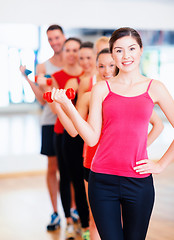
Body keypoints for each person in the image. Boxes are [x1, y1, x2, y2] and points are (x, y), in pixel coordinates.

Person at [50, 27, 174, 240]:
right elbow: (91, 138)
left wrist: (161, 164)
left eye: (131, 48)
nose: (126, 56)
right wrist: (66, 106)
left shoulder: (155, 88)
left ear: (141, 50)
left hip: (138, 182)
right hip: (102, 181)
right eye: (119, 50)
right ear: (112, 53)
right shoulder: (101, 89)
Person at [20, 24, 65, 231]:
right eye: (50, 39)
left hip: (73, 122)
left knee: (72, 170)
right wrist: (28, 79)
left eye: (57, 37)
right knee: (53, 168)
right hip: (50, 122)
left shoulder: (75, 60)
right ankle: (55, 212)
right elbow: (42, 100)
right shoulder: (43, 67)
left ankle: (73, 211)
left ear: (63, 37)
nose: (54, 41)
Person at [48, 37, 90, 240]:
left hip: (87, 132)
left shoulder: (92, 77)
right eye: (71, 51)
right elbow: (54, 105)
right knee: (67, 178)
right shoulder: (66, 79)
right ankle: (71, 221)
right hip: (66, 131)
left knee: (84, 180)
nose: (75, 56)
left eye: (78, 52)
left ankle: (86, 223)